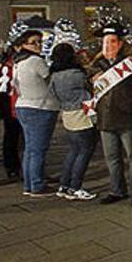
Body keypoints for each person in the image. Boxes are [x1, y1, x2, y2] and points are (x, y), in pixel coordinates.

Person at [90, 22, 132, 205]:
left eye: (111, 42)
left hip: (126, 118)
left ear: (120, 43)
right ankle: (117, 190)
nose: (108, 46)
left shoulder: (131, 64)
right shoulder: (96, 65)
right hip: (105, 119)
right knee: (112, 158)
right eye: (105, 43)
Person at [13, 29, 61, 197]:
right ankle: (37, 184)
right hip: (40, 107)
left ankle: (29, 183)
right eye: (34, 42)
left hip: (24, 105)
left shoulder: (18, 62)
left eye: (40, 41)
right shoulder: (35, 61)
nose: (39, 45)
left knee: (30, 148)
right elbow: (51, 79)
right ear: (24, 44)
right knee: (38, 149)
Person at [49, 43, 98, 201]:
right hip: (82, 113)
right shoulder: (77, 74)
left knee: (74, 150)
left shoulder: (55, 75)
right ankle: (75, 187)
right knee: (85, 151)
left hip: (67, 114)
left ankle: (64, 185)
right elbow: (90, 87)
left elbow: (52, 93)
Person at [0, 41, 23, 179]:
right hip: (10, 102)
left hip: (13, 102)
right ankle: (12, 165)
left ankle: (14, 165)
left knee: (13, 136)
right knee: (12, 136)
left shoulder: (5, 65)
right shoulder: (9, 65)